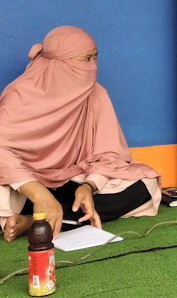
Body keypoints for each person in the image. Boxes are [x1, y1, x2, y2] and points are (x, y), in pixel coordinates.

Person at [0, 26, 162, 242]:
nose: (92, 66)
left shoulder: (96, 94)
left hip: (71, 178)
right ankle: (49, 214)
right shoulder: (19, 94)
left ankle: (33, 222)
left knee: (145, 184)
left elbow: (108, 153)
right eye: (86, 59)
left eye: (95, 57)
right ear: (59, 63)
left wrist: (89, 186)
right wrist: (38, 193)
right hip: (25, 185)